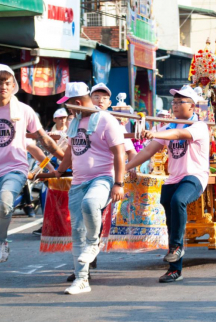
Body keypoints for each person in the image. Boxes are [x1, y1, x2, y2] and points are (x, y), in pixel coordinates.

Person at [0, 64, 63, 292]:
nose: (3, 86)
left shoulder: (24, 111)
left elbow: (43, 139)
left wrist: (66, 160)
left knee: (6, 204)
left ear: (14, 86)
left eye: (7, 82)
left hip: (15, 169)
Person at [125, 85, 209, 283]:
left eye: (181, 101)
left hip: (194, 177)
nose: (176, 105)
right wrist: (124, 167)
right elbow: (147, 152)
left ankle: (177, 247)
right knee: (171, 220)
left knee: (178, 200)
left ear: (193, 106)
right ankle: (174, 270)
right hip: (173, 178)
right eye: (174, 102)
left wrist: (154, 134)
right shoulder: (168, 126)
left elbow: (180, 136)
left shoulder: (199, 126)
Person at [54, 82, 125, 295]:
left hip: (102, 179)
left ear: (76, 102)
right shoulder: (74, 122)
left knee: (91, 203)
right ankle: (81, 280)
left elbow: (120, 153)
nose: (67, 109)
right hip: (77, 181)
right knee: (76, 231)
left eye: (67, 104)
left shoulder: (106, 120)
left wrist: (119, 183)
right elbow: (70, 151)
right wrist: (59, 171)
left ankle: (94, 243)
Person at [90, 83, 137, 161]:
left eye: (104, 98)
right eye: (96, 97)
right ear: (89, 100)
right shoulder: (81, 121)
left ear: (109, 103)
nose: (100, 101)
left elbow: (131, 152)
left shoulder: (115, 123)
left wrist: (130, 168)